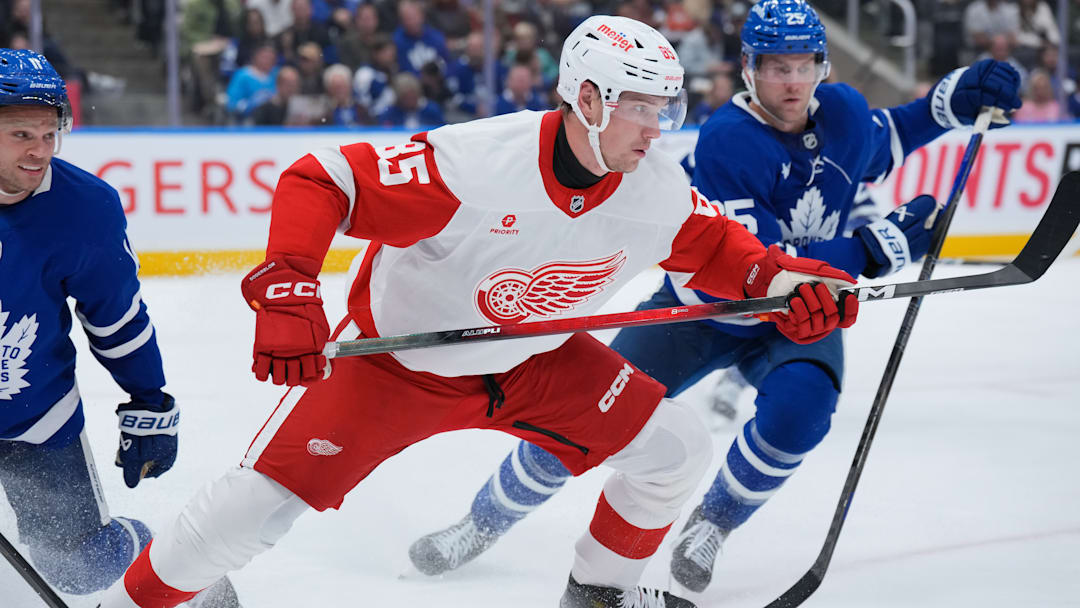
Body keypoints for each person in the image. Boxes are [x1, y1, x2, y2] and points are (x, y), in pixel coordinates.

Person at [97, 16, 859, 608]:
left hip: (535, 360)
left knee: (675, 448)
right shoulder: (476, 163)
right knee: (253, 510)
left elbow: (730, 256)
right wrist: (289, 289)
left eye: (666, 106)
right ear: (585, 99)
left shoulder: (653, 183)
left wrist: (793, 288)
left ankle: (599, 591)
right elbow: (319, 179)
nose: (656, 127)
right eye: (638, 107)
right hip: (396, 363)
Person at [405, 0, 1023, 595]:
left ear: (823, 66)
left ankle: (711, 525)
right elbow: (760, 268)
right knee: (582, 421)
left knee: (800, 417)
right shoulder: (730, 137)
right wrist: (870, 249)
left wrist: (951, 103)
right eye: (778, 66)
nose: (793, 80)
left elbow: (881, 136)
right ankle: (481, 522)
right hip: (703, 311)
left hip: (800, 320)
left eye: (805, 64)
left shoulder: (841, 109)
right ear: (749, 68)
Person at [0, 49, 238, 607]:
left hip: (36, 415)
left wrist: (148, 398)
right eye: (20, 135)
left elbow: (115, 315)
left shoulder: (85, 208)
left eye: (49, 132)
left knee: (77, 565)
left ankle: (173, 565)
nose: (40, 151)